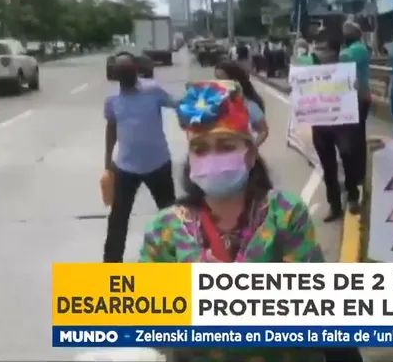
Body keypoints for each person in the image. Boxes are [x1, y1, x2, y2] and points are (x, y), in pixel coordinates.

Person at [139, 80, 363, 362]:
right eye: (200, 149)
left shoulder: (285, 213)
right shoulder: (164, 229)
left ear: (251, 154)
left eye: (225, 146)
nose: (212, 158)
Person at [103, 52, 178, 263]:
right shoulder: (112, 100)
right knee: (118, 219)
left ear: (136, 70)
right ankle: (111, 266)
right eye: (120, 71)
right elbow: (111, 128)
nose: (125, 75)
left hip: (158, 165)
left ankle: (176, 257)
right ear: (115, 75)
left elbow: (177, 105)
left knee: (170, 216)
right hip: (126, 168)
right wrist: (108, 161)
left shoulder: (153, 90)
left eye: (127, 70)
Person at [301, 38, 363, 221]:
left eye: (323, 47)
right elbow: (300, 93)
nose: (318, 51)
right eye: (317, 47)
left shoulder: (346, 72)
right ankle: (334, 205)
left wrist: (354, 88)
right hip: (320, 126)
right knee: (328, 167)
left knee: (348, 157)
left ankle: (353, 196)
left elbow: (356, 95)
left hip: (342, 125)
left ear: (334, 52)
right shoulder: (308, 72)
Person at [340, 22, 372, 185]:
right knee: (355, 136)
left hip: (359, 99)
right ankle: (357, 172)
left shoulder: (357, 49)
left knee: (356, 137)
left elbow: (343, 58)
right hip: (355, 98)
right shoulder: (357, 49)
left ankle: (359, 174)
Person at [214, 60, 269, 147]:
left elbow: (263, 131)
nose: (218, 84)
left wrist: (251, 149)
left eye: (223, 80)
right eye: (217, 80)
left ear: (236, 81)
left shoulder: (249, 106)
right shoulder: (215, 102)